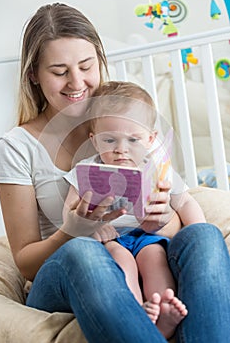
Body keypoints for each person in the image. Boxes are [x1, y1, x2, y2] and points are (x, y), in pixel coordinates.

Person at [0, 2, 230, 343]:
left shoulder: (126, 123)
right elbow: (26, 263)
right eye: (59, 71)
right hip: (66, 270)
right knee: (84, 251)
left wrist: (162, 218)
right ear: (33, 75)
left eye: (86, 66)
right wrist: (71, 231)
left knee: (205, 236)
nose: (77, 82)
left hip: (144, 250)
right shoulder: (17, 146)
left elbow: (173, 212)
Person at [63, 80, 210, 338]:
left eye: (133, 139)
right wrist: (88, 227)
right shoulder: (86, 170)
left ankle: (163, 308)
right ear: (94, 141)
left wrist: (198, 230)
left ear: (150, 139)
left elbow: (185, 201)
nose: (121, 149)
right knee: (123, 262)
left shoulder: (156, 168)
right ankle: (135, 314)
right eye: (109, 140)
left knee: (154, 258)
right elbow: (70, 210)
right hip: (112, 239)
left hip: (147, 236)